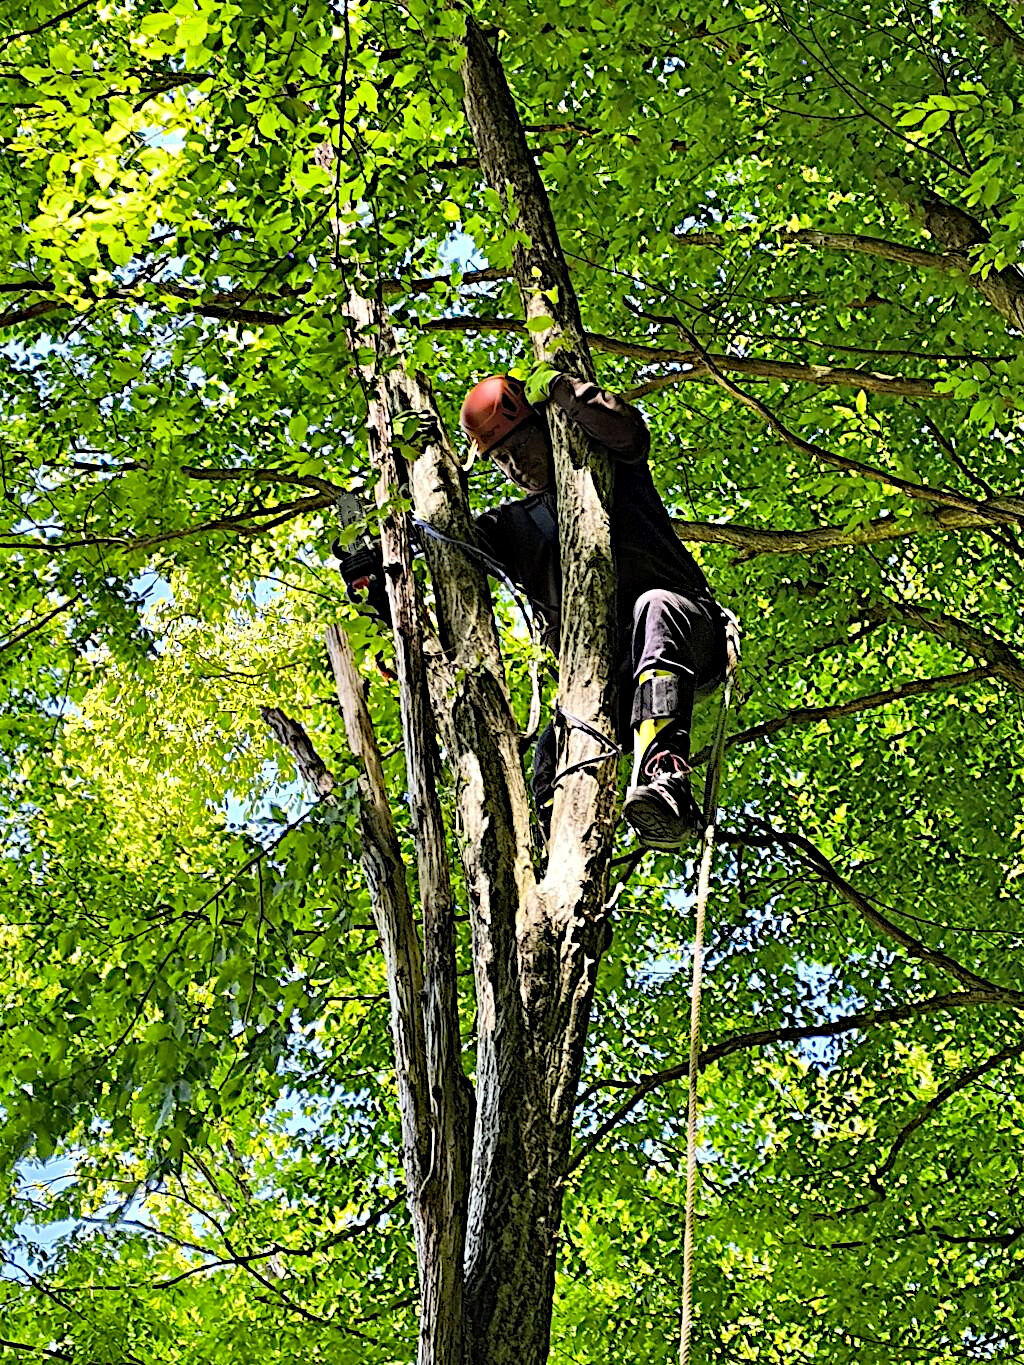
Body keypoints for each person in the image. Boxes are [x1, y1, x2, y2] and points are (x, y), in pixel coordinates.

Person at [459, 372, 727, 850]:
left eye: (520, 447)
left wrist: (563, 389)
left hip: (686, 633)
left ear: (545, 424)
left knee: (655, 607)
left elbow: (629, 430)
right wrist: (378, 567)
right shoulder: (512, 527)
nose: (515, 466)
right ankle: (546, 843)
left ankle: (666, 780)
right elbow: (445, 544)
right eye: (501, 460)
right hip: (611, 678)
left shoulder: (606, 466)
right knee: (557, 740)